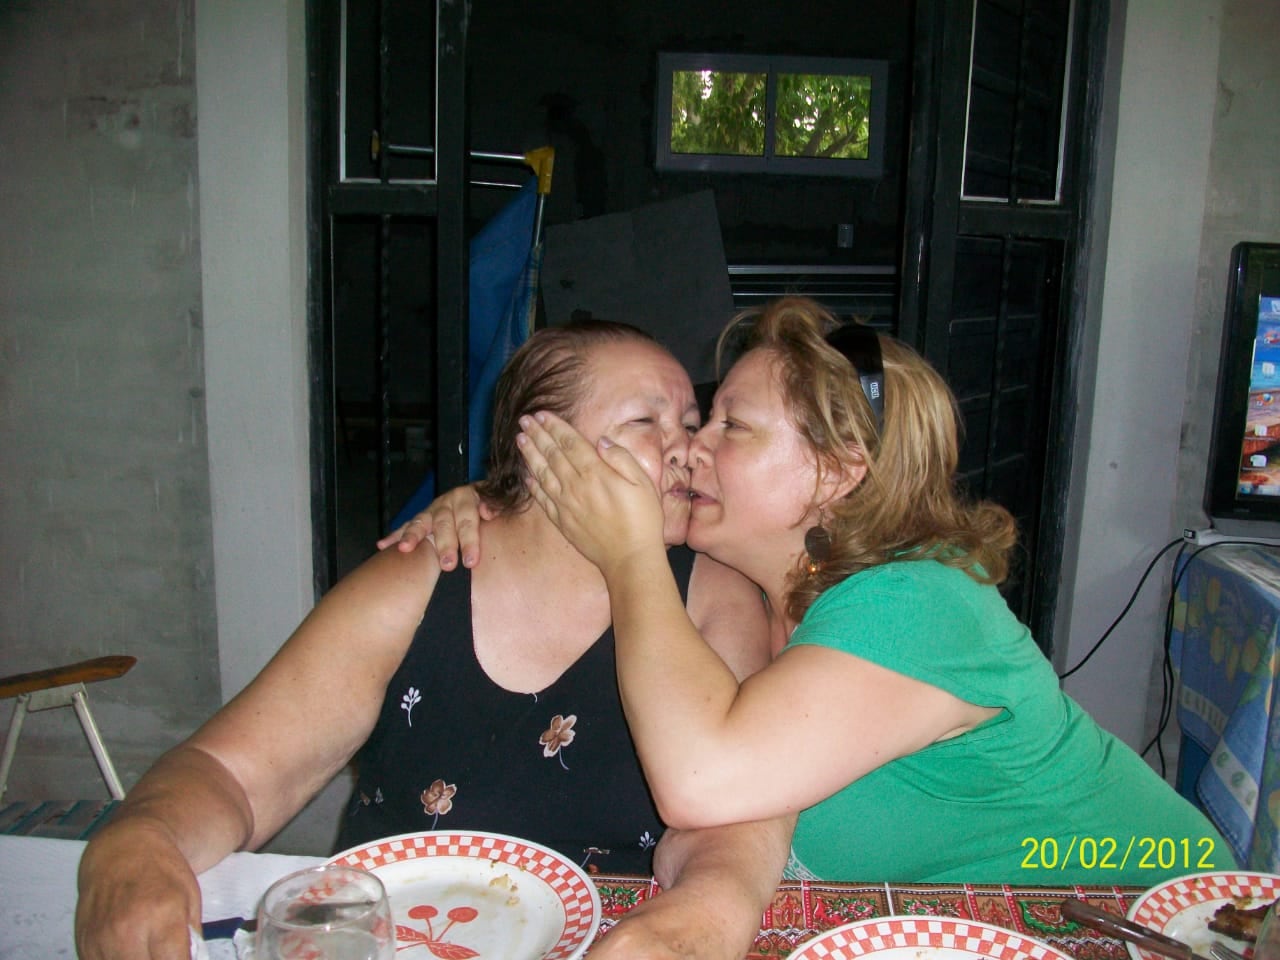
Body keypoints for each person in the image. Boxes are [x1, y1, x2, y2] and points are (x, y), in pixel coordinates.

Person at [74, 320, 792, 960]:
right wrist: (140, 839)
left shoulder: (715, 597)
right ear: (544, 448)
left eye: (691, 422)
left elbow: (726, 826)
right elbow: (239, 771)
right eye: (648, 421)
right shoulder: (423, 579)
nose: (689, 449)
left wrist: (698, 917)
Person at [501, 295, 1231, 884]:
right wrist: (489, 506)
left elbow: (702, 779)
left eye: (733, 425)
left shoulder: (919, 602)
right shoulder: (767, 593)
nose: (692, 446)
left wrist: (632, 558)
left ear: (838, 470)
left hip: (1152, 915)